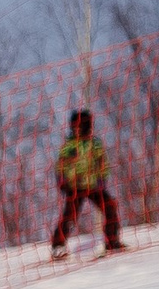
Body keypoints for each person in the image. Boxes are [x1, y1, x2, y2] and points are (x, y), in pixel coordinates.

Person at [50, 108, 124, 259]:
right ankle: (58, 246)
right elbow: (61, 165)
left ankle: (112, 241)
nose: (76, 130)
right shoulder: (69, 146)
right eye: (74, 127)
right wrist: (62, 181)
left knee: (110, 206)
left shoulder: (94, 144)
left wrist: (102, 179)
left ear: (87, 126)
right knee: (69, 216)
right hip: (74, 186)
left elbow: (103, 162)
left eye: (79, 127)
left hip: (93, 186)